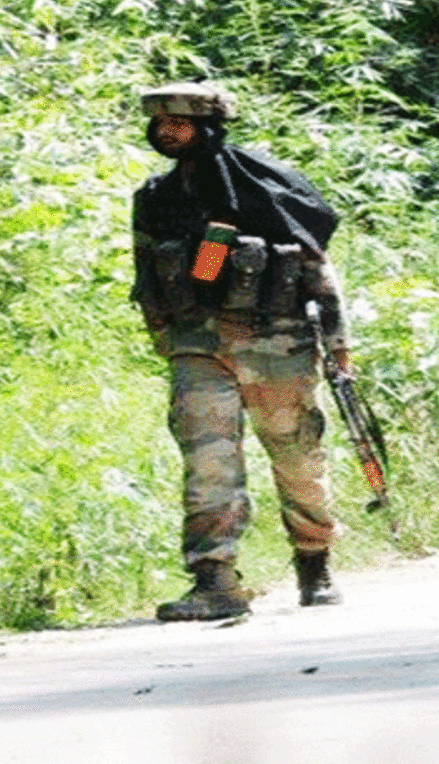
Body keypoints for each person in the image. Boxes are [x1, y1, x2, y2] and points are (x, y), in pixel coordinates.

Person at [131, 82, 351, 621]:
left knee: (297, 456)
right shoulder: (156, 198)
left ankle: (314, 563)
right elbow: (145, 271)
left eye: (177, 124)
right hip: (196, 346)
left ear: (206, 127)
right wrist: (164, 335)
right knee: (207, 466)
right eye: (160, 125)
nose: (166, 134)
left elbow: (317, 266)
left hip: (276, 343)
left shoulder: (266, 188)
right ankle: (214, 580)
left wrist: (339, 344)